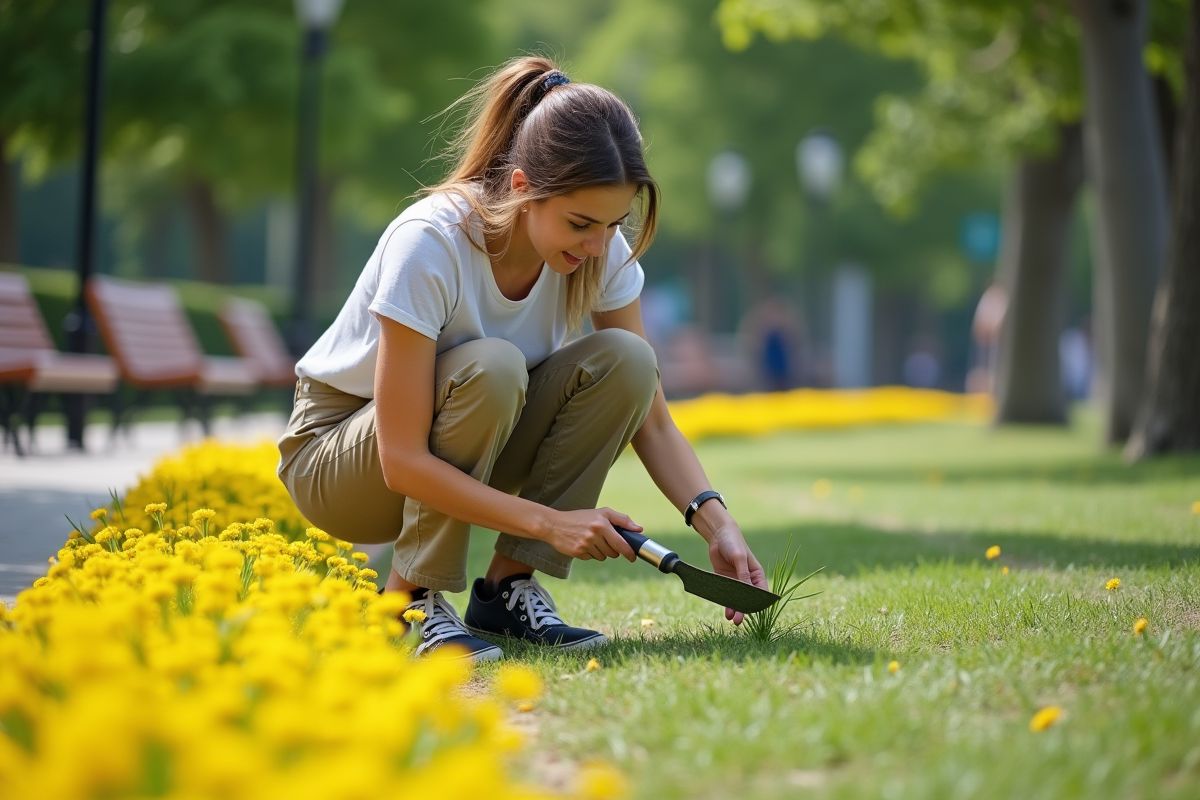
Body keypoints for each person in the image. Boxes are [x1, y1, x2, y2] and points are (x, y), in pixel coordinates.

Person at [276, 56, 767, 663]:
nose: (596, 246)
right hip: (342, 463)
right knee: (493, 367)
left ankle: (506, 588)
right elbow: (401, 461)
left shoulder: (599, 247)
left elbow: (654, 418)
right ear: (521, 188)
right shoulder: (430, 243)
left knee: (629, 360)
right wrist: (550, 522)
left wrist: (718, 525)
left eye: (612, 224)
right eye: (580, 223)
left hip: (470, 437)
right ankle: (407, 599)